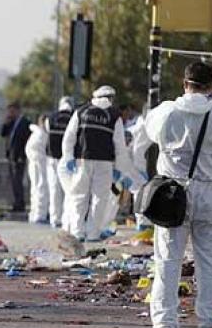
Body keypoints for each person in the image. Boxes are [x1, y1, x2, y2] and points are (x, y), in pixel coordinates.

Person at [143, 61, 212, 328]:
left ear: (183, 82)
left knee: (167, 261)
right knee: (211, 264)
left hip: (173, 195)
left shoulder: (165, 113)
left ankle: (164, 327)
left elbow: (150, 134)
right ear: (211, 85)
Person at [60, 85, 134, 241]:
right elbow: (120, 146)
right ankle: (93, 234)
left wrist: (68, 157)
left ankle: (77, 232)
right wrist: (120, 169)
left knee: (79, 197)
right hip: (104, 163)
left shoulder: (81, 111)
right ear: (110, 98)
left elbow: (69, 136)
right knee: (99, 199)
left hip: (82, 160)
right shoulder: (114, 116)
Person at [46, 96, 74, 228]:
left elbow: (47, 133)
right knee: (68, 190)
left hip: (52, 157)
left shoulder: (51, 118)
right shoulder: (74, 117)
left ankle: (54, 218)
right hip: (68, 159)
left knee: (54, 189)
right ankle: (66, 218)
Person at [1, 102, 30, 213]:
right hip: (11, 156)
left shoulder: (25, 123)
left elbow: (26, 140)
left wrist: (23, 155)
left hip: (19, 157)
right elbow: (3, 133)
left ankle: (20, 203)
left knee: (18, 181)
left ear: (18, 111)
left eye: (12, 111)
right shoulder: (11, 123)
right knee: (13, 181)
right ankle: (16, 202)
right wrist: (6, 121)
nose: (10, 113)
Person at [25, 115, 49, 223]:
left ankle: (35, 213)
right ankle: (40, 215)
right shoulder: (41, 134)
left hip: (34, 163)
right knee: (41, 187)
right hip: (40, 163)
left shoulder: (36, 133)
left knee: (35, 188)